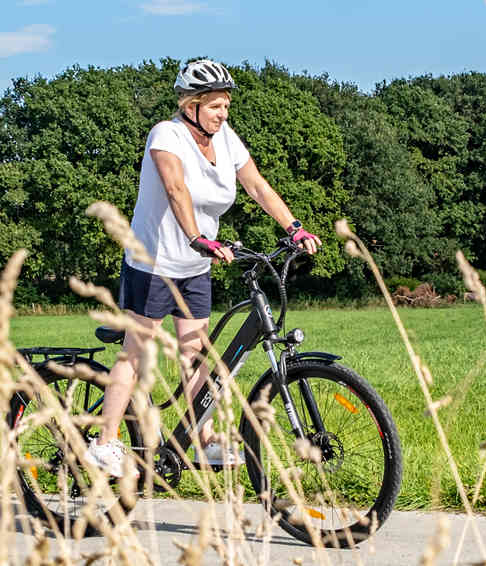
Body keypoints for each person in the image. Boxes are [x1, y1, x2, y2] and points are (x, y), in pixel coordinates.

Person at [84, 59, 321, 477]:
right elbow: (176, 189)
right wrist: (198, 236)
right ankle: (104, 443)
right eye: (215, 106)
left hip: (195, 265)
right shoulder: (167, 135)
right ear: (191, 104)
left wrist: (294, 226)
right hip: (153, 262)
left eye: (226, 105)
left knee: (196, 353)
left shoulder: (226, 139)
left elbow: (257, 185)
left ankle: (203, 439)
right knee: (138, 351)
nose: (223, 113)